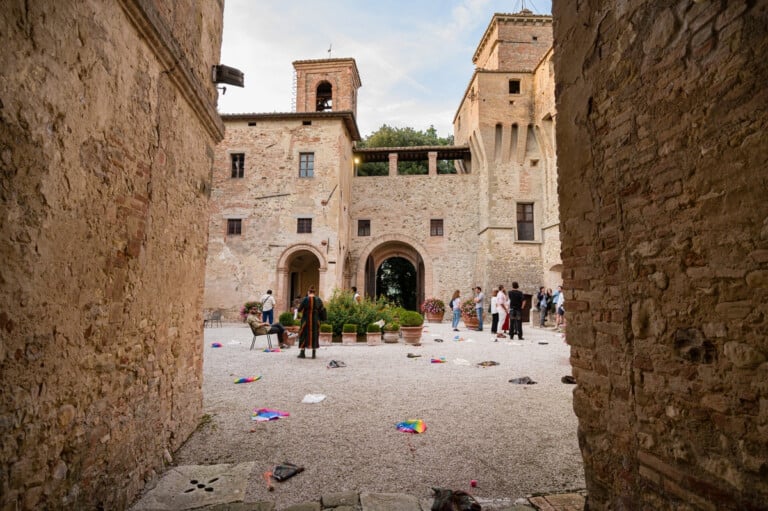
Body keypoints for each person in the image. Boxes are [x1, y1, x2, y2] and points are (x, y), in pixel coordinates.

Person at [297, 286, 325, 359]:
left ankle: (302, 353)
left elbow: (299, 309)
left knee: (303, 334)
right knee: (315, 335)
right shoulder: (318, 299)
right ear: (314, 293)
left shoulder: (305, 299)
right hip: (316, 320)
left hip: (306, 320)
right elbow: (322, 309)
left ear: (308, 292)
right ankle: (313, 354)